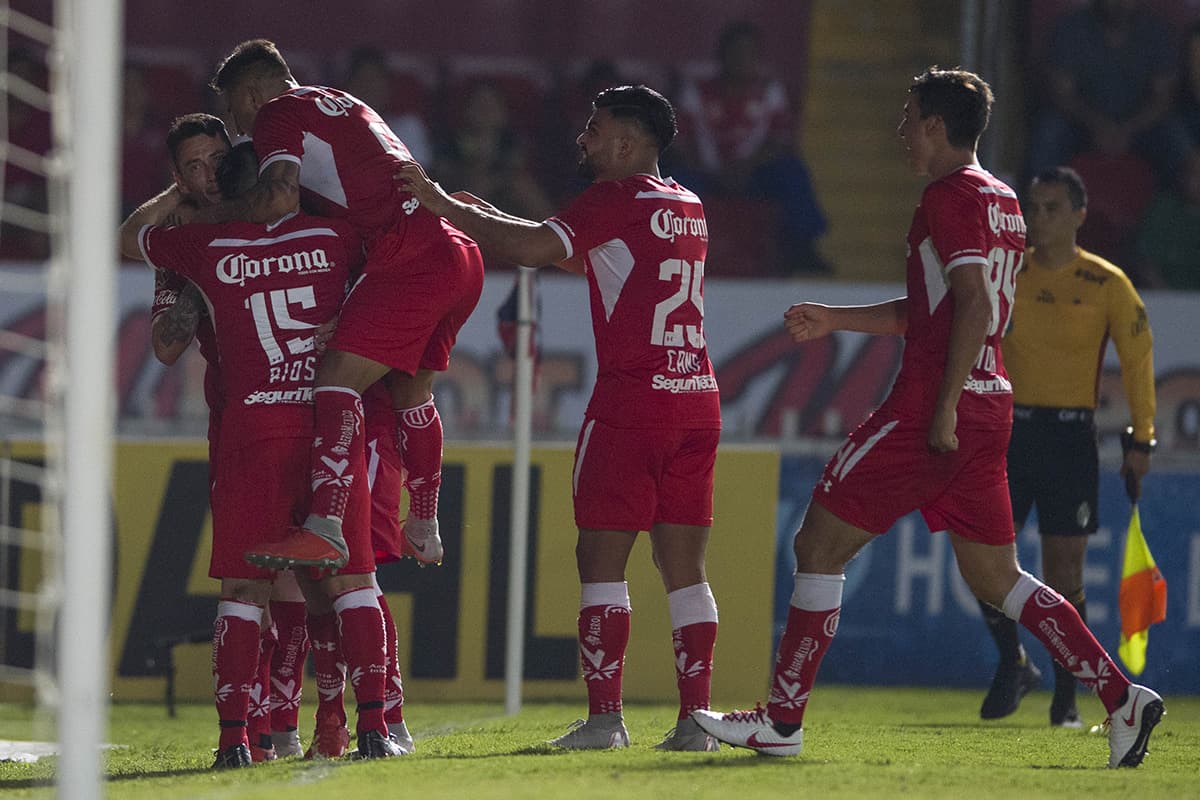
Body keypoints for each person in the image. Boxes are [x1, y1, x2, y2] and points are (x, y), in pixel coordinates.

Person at [690, 67, 1164, 770]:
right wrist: (836, 319)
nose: (901, 132)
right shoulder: (1001, 199)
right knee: (1000, 578)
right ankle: (1122, 698)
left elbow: (972, 302)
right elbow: (937, 309)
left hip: (934, 405)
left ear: (937, 126)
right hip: (992, 400)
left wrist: (941, 408)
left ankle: (782, 720)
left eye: (909, 118)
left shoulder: (949, 195)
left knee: (817, 544)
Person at [398, 84, 723, 751]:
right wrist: (489, 214)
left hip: (632, 404)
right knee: (684, 568)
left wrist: (443, 206)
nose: (583, 138)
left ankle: (605, 721)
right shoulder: (687, 205)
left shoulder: (612, 198)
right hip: (697, 399)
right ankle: (697, 722)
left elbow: (534, 251)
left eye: (594, 129)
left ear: (627, 144)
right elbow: (598, 259)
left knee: (600, 561)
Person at [119, 141, 405, 763]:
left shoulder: (208, 248)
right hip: (328, 423)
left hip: (252, 428)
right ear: (281, 184)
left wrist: (183, 198)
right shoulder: (338, 238)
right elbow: (397, 263)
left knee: (243, 590)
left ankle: (233, 744)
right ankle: (376, 730)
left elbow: (130, 238)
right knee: (353, 581)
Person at [195, 39, 484, 572]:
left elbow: (279, 195)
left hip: (408, 256)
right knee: (411, 391)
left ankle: (325, 526)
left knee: (334, 380)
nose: (236, 128)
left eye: (234, 111)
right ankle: (424, 527)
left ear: (253, 95)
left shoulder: (277, 115)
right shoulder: (340, 100)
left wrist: (207, 220)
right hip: (454, 249)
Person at [976, 165, 1157, 727]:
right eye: (1033, 207)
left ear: (1080, 215)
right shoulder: (1009, 272)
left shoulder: (1107, 283)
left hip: (1070, 439)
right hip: (1008, 431)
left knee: (1064, 572)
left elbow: (1138, 363)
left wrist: (1143, 438)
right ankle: (1013, 660)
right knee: (982, 559)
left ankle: (1065, 696)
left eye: (1052, 208)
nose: (1039, 217)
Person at [674, 19, 828, 274]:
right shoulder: (697, 92)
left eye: (748, 53)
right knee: (672, 182)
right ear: (722, 55)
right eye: (735, 52)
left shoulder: (770, 91)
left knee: (792, 172)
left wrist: (745, 169)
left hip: (753, 175)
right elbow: (680, 142)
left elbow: (779, 141)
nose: (741, 59)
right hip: (706, 175)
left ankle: (803, 248)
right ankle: (670, 251)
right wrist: (713, 171)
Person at [1027, 0, 1192, 186]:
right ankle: (1036, 199)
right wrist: (1098, 125)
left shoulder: (1157, 32)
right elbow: (1062, 93)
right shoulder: (1071, 29)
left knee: (1175, 138)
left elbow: (1163, 97)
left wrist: (1128, 129)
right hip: (1081, 123)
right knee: (1049, 133)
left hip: (1141, 126)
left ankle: (1178, 203)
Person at [1134, 154, 1200, 290]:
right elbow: (1145, 263)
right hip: (1163, 297)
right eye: (1195, 173)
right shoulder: (1163, 210)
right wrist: (1169, 297)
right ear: (1183, 177)